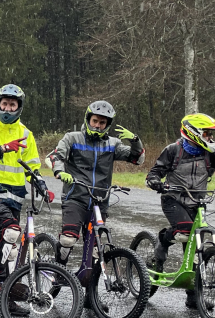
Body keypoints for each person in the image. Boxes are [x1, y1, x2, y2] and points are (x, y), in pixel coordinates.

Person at [0, 84, 53, 315]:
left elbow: (32, 166)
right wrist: (0, 149)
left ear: (19, 107)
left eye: (12, 105)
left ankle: (2, 297)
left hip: (14, 197)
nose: (7, 108)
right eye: (4, 104)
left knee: (11, 248)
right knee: (12, 232)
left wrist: (41, 184)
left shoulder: (26, 134)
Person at [144, 113, 215, 307]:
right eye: (208, 134)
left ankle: (193, 296)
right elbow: (154, 173)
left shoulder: (211, 153)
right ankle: (163, 239)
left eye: (212, 134)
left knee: (195, 247)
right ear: (194, 133)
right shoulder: (173, 150)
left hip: (197, 202)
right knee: (184, 231)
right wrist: (156, 183)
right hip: (173, 199)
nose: (211, 138)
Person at [49, 100, 145, 268]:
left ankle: (89, 285)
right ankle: (57, 269)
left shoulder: (112, 144)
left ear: (107, 125)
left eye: (102, 123)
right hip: (75, 198)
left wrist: (135, 141)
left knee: (96, 248)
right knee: (68, 240)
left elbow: (138, 159)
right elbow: (56, 156)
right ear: (88, 119)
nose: (98, 126)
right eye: (95, 121)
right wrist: (59, 171)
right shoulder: (72, 138)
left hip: (100, 201)